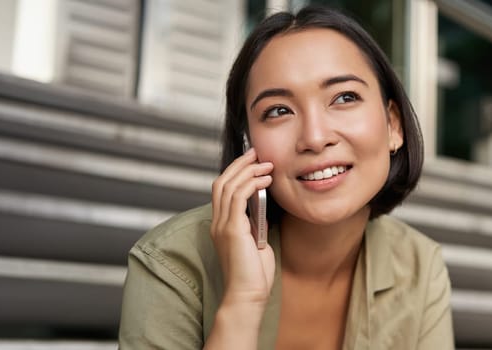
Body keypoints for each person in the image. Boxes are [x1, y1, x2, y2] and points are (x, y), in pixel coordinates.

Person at [118, 6, 454, 349]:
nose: (314, 137)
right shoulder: (172, 261)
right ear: (249, 143)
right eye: (279, 111)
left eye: (344, 97)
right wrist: (242, 303)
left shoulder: (419, 266)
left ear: (393, 125)